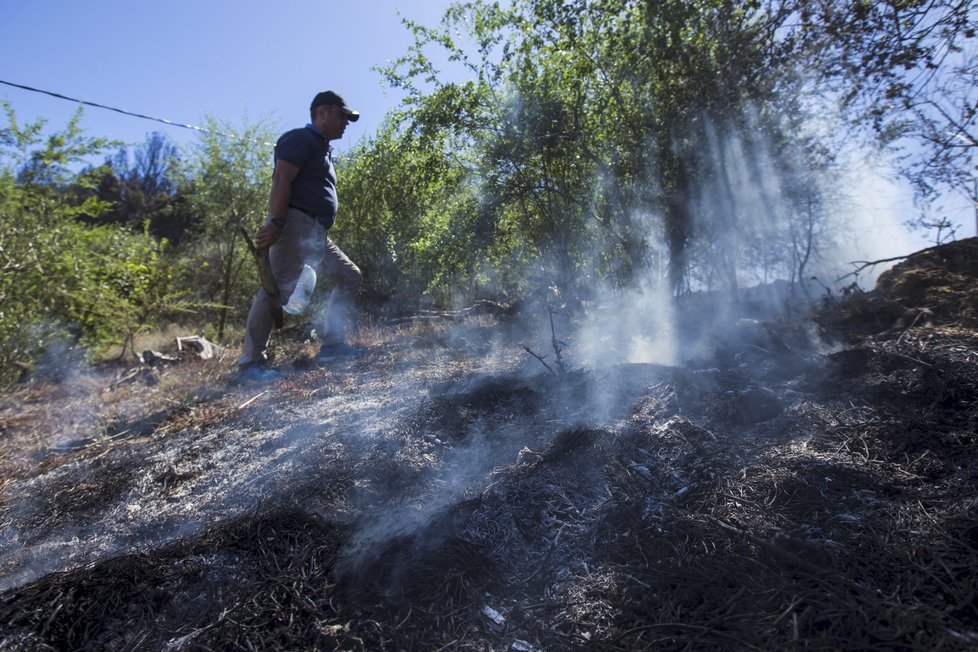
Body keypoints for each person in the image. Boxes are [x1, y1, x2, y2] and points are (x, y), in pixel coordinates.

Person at [237, 90, 365, 381]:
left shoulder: (321, 149)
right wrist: (277, 222)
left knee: (349, 276)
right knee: (278, 288)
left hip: (316, 233)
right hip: (294, 226)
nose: (346, 123)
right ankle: (249, 364)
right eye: (342, 116)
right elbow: (282, 178)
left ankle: (333, 347)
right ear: (322, 113)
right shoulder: (300, 139)